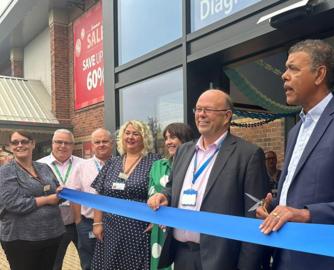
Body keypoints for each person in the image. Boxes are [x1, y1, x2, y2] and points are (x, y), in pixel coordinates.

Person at [256, 39, 334, 270]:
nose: (284, 75)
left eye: (293, 68)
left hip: (327, 262)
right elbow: (303, 193)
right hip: (285, 257)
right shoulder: (295, 131)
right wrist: (273, 205)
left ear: (319, 74)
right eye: (285, 69)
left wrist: (305, 214)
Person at [147, 89, 269, 270]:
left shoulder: (248, 155)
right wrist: (165, 196)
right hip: (181, 256)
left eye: (208, 109)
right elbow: (172, 188)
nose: (200, 115)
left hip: (222, 260)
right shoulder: (183, 151)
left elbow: (253, 218)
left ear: (227, 116)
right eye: (197, 109)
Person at [90, 120, 159, 270]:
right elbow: (99, 194)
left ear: (144, 137)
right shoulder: (112, 162)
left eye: (136, 133)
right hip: (110, 229)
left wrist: (156, 220)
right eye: (127, 133)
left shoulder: (154, 161)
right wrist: (97, 223)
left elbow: (161, 192)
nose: (130, 137)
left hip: (139, 228)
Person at [0, 131, 65, 270]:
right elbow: (14, 203)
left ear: (32, 144)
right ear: (10, 147)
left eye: (24, 141)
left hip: (52, 234)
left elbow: (56, 190)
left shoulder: (44, 168)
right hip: (22, 239)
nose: (20, 145)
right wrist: (47, 199)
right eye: (15, 142)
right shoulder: (6, 172)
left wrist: (61, 192)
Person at [148, 123, 194, 270]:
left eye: (173, 137)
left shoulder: (196, 165)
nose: (168, 142)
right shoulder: (157, 166)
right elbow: (151, 192)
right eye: (166, 138)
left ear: (185, 138)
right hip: (160, 230)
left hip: (184, 229)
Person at [67, 128, 114, 270]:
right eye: (97, 142)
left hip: (116, 223)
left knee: (114, 259)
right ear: (92, 145)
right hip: (88, 222)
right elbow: (73, 194)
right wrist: (78, 221)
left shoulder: (121, 164)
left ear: (112, 144)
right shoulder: (82, 166)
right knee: (89, 261)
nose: (101, 145)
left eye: (105, 141)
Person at [37, 128, 84, 270]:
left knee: (89, 260)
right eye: (59, 142)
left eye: (67, 143)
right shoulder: (39, 166)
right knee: (53, 264)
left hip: (81, 220)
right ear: (52, 143)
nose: (63, 146)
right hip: (53, 222)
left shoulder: (83, 164)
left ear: (73, 145)